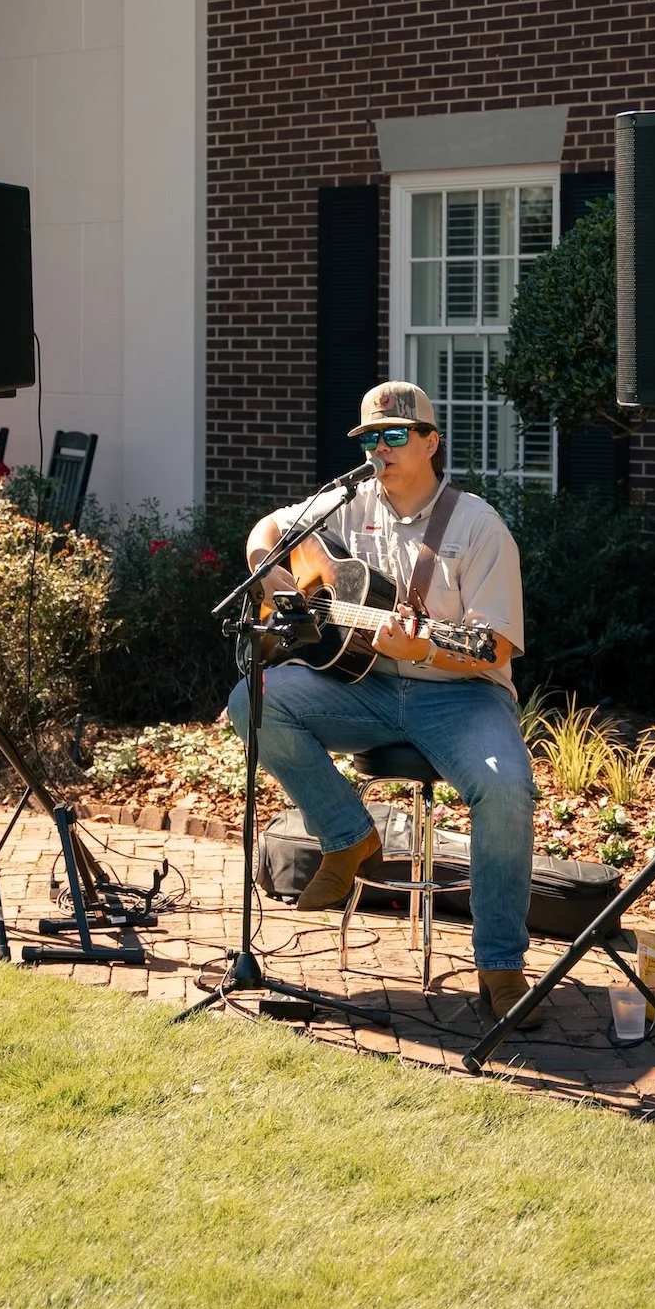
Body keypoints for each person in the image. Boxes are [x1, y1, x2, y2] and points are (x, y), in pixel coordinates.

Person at [230, 381, 537, 1024]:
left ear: (431, 441)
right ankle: (349, 835)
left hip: (460, 694)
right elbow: (269, 528)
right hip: (364, 683)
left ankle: (502, 968)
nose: (380, 448)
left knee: (506, 788)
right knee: (252, 699)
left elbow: (497, 644)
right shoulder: (346, 502)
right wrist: (267, 564)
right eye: (369, 437)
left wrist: (423, 649)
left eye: (394, 435)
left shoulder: (478, 525)